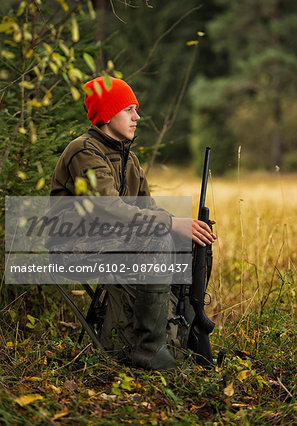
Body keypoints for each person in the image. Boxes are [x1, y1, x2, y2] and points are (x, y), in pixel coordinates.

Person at [50, 76, 216, 370]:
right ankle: (149, 350)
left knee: (191, 240)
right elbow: (107, 209)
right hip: (74, 248)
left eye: (135, 109)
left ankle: (188, 335)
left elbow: (147, 210)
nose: (136, 116)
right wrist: (170, 223)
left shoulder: (129, 158)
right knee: (159, 236)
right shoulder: (84, 151)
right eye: (129, 109)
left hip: (109, 243)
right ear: (107, 114)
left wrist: (184, 227)